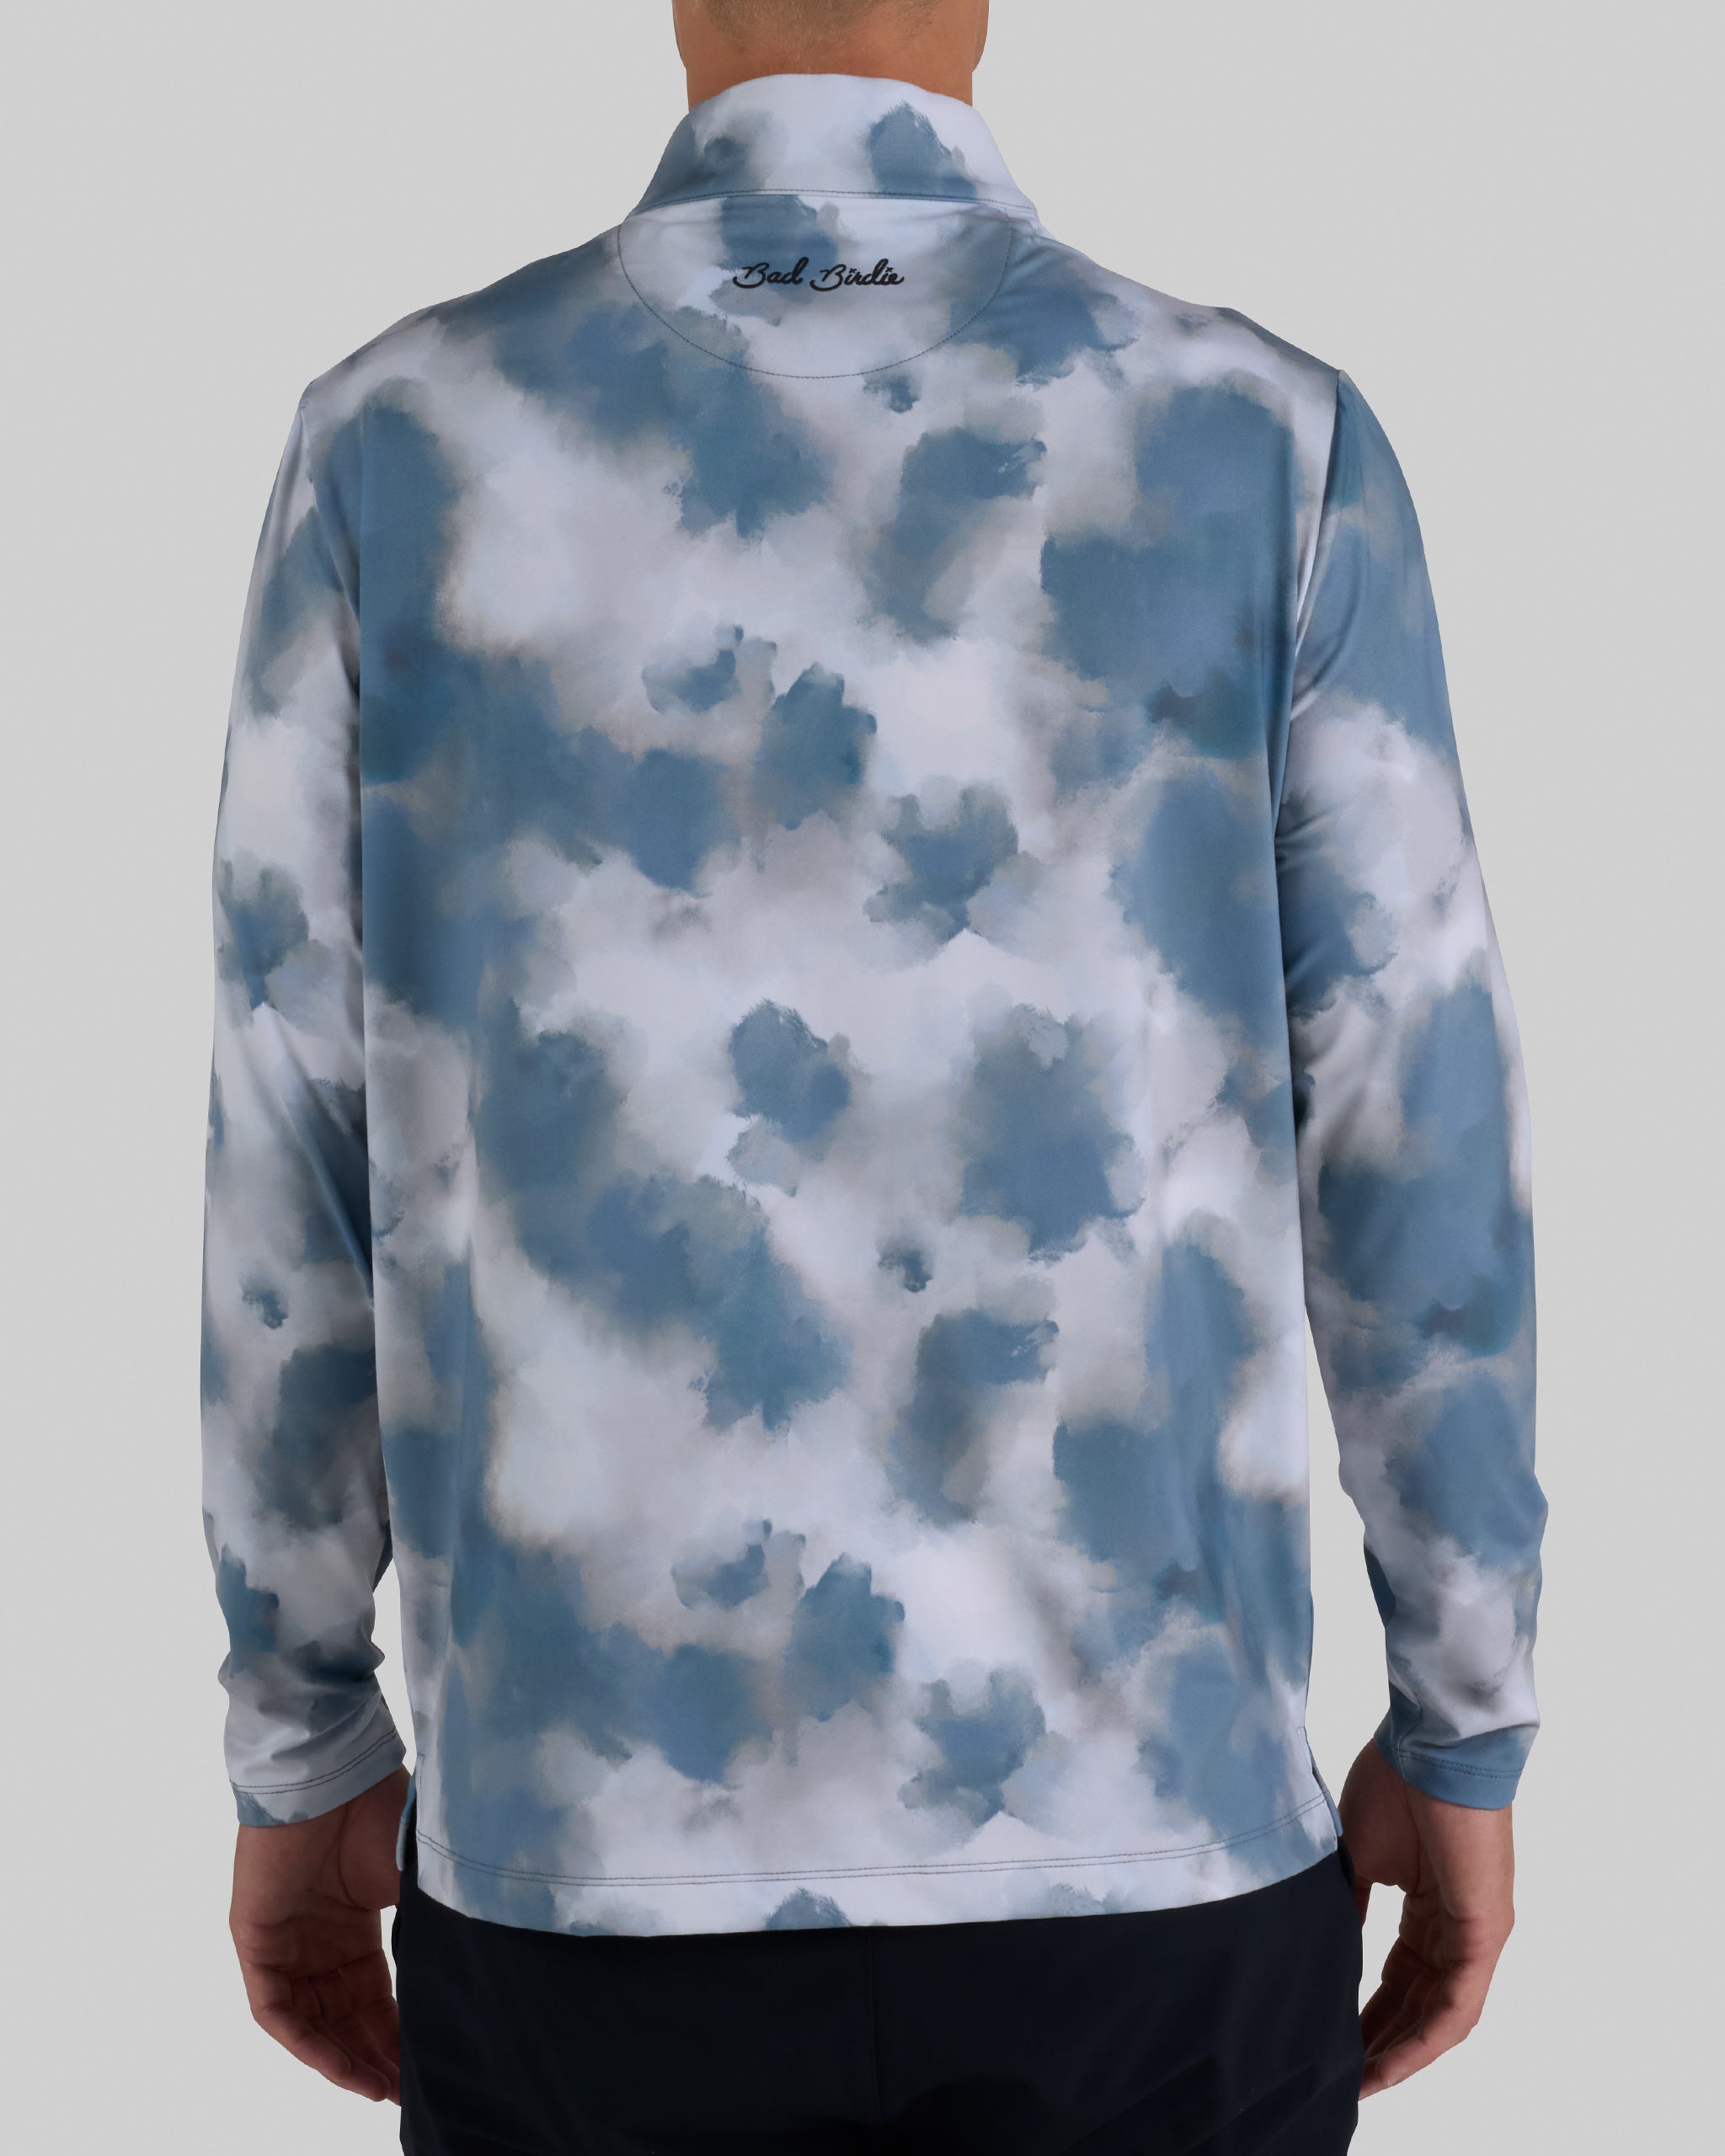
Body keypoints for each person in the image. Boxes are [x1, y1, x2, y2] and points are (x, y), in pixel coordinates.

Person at [200, 2, 1546, 2148]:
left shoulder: (397, 443)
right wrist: (1461, 1717)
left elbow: (295, 1147)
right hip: (1153, 1866)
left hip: (582, 1885)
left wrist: (300, 1738)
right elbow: (1415, 1138)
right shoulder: (1256, 441)